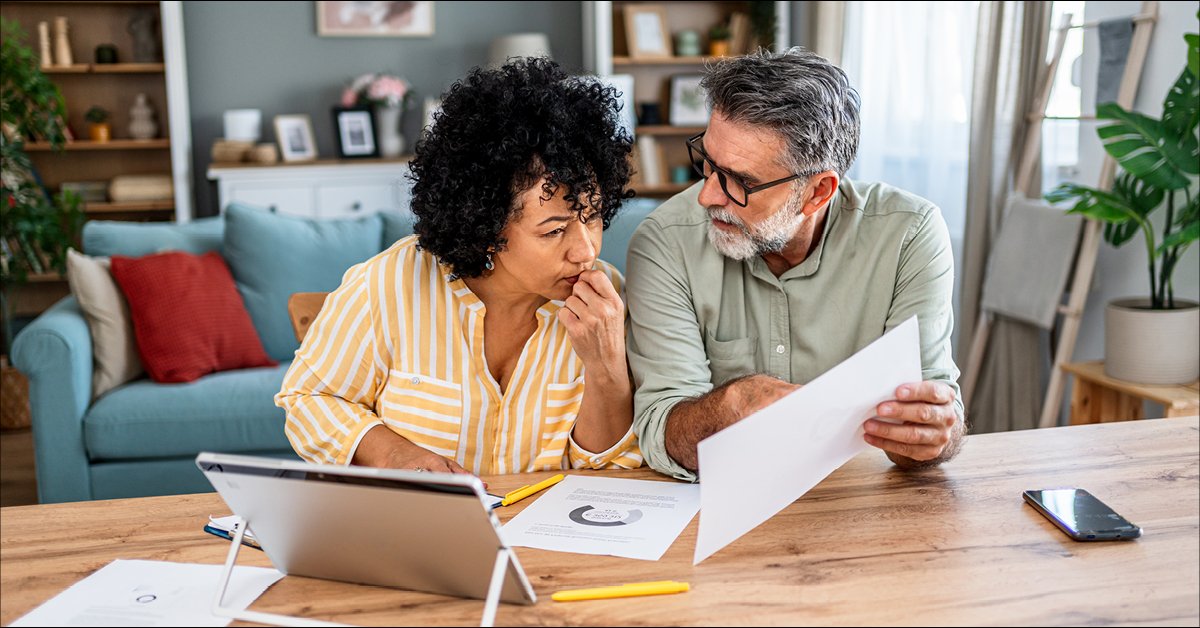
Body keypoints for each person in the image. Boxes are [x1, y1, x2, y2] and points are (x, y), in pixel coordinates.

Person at [277, 58, 642, 475]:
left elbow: (610, 471)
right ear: (486, 225)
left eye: (592, 217)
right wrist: (395, 454)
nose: (586, 251)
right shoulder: (388, 284)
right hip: (418, 532)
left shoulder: (611, 301)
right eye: (554, 231)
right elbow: (308, 400)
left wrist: (606, 368)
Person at [626, 48, 965, 481]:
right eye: (707, 164)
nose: (708, 196)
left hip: (853, 500)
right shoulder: (664, 242)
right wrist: (732, 405)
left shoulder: (909, 235)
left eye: (740, 181)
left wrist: (933, 436)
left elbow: (933, 410)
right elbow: (659, 432)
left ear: (818, 192)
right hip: (715, 503)